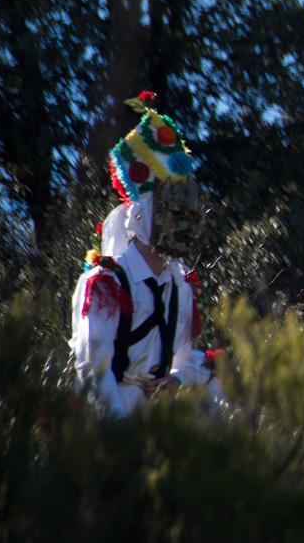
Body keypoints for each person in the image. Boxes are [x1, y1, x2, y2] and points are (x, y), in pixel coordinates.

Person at [69, 92, 221, 415]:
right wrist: (122, 433)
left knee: (221, 378)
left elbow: (184, 358)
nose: (181, 222)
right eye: (171, 211)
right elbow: (93, 371)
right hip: (111, 423)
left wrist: (175, 380)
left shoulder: (179, 286)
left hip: (160, 424)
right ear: (142, 217)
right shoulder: (106, 285)